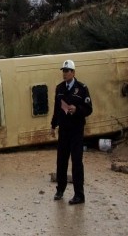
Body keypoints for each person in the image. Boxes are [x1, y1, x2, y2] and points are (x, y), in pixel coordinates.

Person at [51, 60, 93, 205]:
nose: (65, 73)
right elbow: (57, 108)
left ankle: (79, 195)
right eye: (63, 70)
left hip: (76, 131)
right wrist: (53, 125)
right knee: (61, 161)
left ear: (73, 72)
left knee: (76, 162)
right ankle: (60, 189)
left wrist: (77, 110)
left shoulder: (82, 88)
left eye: (67, 70)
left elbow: (89, 109)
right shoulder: (59, 88)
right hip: (64, 130)